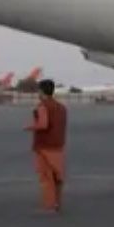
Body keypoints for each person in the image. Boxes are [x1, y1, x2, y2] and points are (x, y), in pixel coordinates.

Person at [24, 79, 67, 214]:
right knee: (57, 176)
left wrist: (30, 127)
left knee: (46, 176)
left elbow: (43, 124)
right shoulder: (61, 107)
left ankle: (49, 206)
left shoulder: (42, 106)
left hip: (44, 145)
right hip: (58, 145)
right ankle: (57, 203)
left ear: (41, 91)